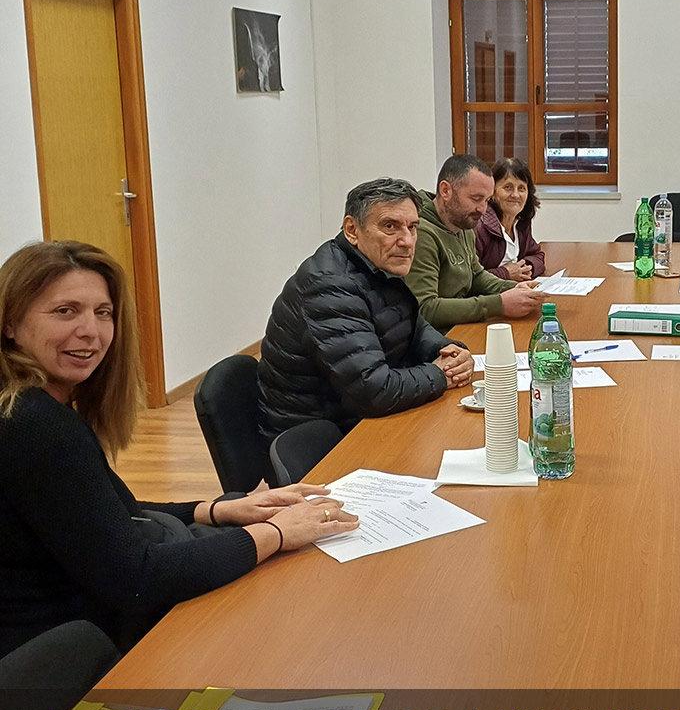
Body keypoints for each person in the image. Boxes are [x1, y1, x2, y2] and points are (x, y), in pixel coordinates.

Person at [0, 241, 357, 659]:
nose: (90, 331)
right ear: (10, 323)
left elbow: (105, 510)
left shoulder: (27, 405)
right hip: (58, 656)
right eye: (65, 311)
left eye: (103, 312)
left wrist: (214, 510)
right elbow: (137, 579)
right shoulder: (35, 424)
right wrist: (276, 533)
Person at [259, 178, 475, 442]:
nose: (407, 241)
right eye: (390, 226)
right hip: (317, 439)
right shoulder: (330, 286)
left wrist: (450, 351)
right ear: (352, 230)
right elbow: (372, 390)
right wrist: (440, 374)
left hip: (353, 416)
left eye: (412, 227)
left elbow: (412, 327)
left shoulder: (374, 265)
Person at [408, 155, 542, 330]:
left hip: (460, 326)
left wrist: (515, 288)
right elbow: (425, 308)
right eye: (476, 198)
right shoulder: (420, 233)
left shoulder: (464, 225)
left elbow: (476, 276)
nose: (483, 209)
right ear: (446, 191)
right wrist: (499, 304)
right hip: (436, 335)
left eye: (486, 200)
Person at [474, 157, 547, 281]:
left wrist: (525, 269)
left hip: (514, 288)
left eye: (521, 188)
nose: (515, 195)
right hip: (488, 293)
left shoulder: (521, 222)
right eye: (508, 187)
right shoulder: (479, 227)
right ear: (493, 192)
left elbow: (537, 256)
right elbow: (471, 277)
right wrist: (506, 273)